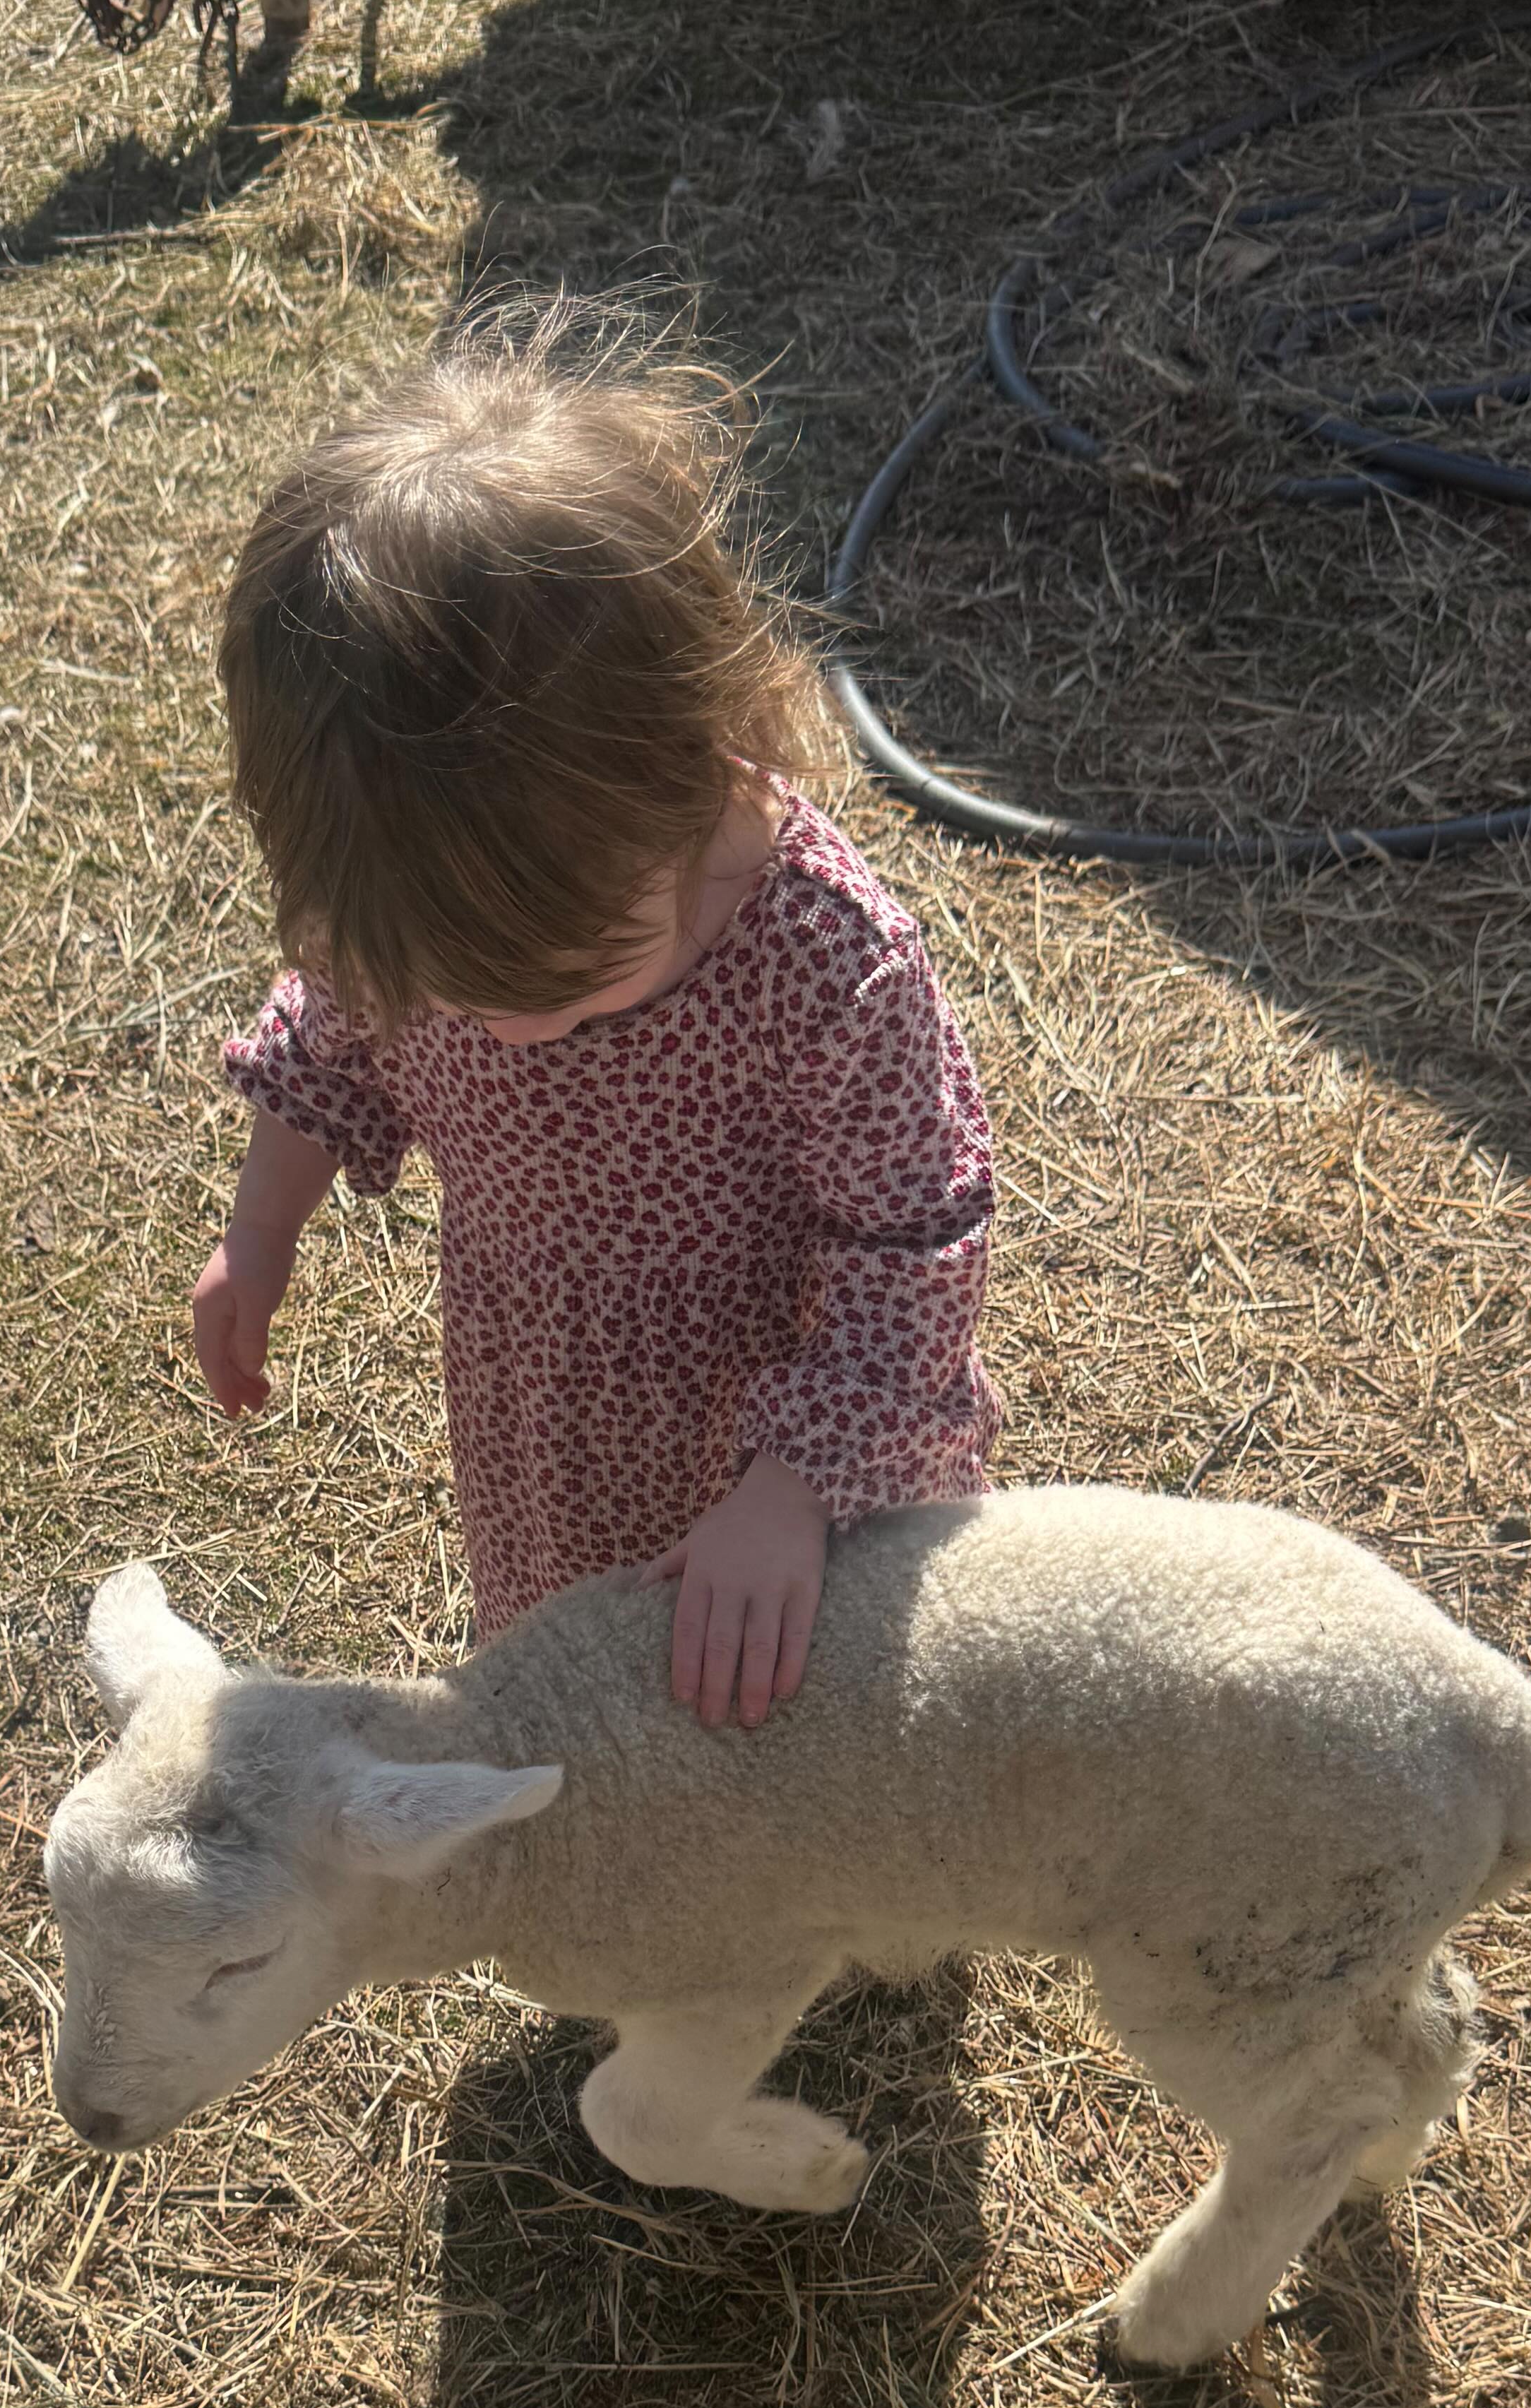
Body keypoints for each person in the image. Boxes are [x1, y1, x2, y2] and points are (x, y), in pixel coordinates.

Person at [191, 314, 999, 1731]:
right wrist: (260, 1230)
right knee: (588, 1686)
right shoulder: (427, 918)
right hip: (550, 1411)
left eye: (551, 977)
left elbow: (913, 1253)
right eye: (435, 984)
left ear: (683, 762)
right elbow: (331, 1024)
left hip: (785, 1441)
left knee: (800, 1728)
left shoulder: (823, 963)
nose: (492, 1030)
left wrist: (793, 1489)